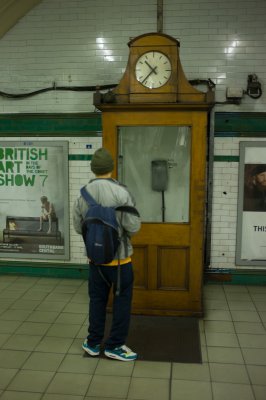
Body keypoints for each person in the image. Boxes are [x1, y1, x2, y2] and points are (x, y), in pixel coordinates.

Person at [72, 147, 141, 361]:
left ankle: (92, 343)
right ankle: (114, 346)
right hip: (120, 262)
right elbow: (134, 226)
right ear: (112, 168)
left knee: (96, 301)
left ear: (93, 169)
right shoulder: (122, 192)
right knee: (121, 304)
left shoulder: (83, 194)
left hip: (95, 262)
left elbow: (77, 226)